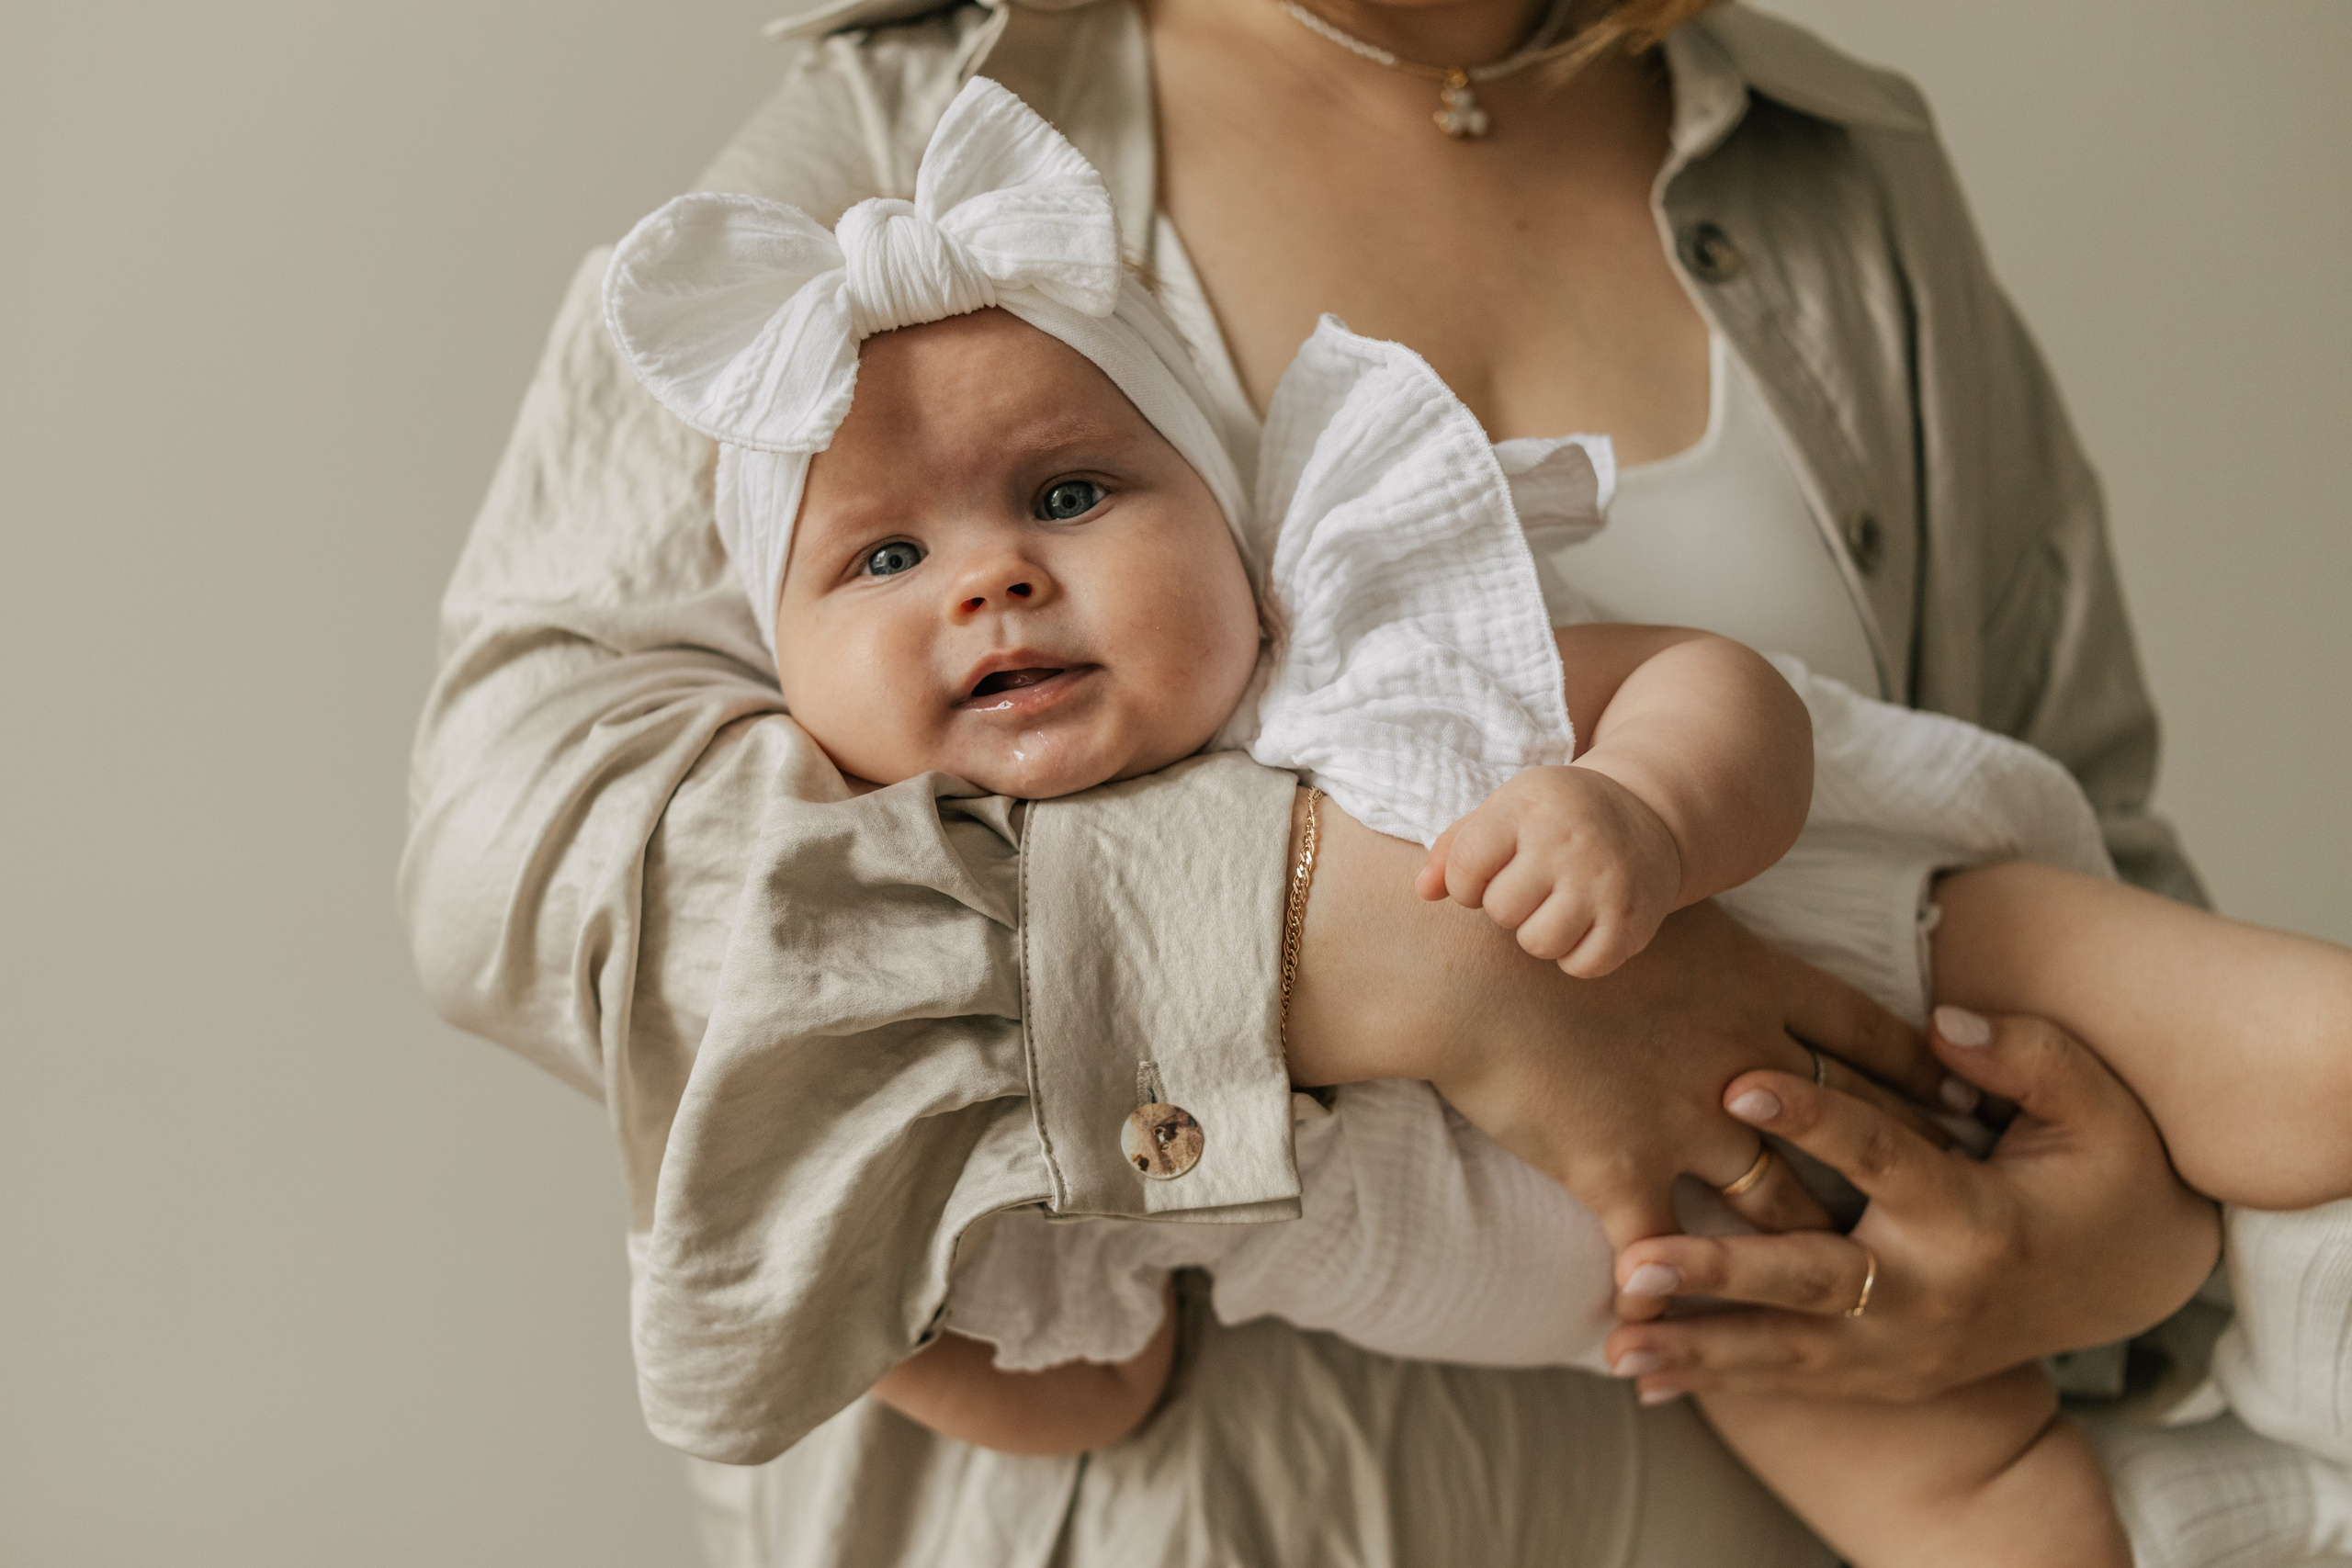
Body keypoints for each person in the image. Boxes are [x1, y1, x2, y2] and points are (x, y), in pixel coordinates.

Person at [403, 0, 2341, 1562]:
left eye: (1072, 495)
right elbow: (530, 852)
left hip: (1771, 1431)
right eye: (907, 557)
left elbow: (2086, 838)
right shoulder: (909, 145)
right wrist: (1358, 935)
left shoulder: (1832, 171)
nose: (992, 572)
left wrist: (2118, 1263)